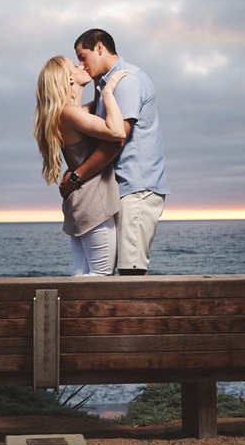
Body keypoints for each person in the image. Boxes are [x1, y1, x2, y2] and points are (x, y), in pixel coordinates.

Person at [60, 29, 170, 276]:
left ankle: (141, 316)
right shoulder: (106, 86)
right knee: (124, 271)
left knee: (132, 271)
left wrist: (76, 177)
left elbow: (115, 141)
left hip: (136, 188)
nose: (81, 64)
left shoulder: (126, 81)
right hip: (122, 189)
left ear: (99, 48)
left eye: (83, 56)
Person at [33, 56, 129, 276]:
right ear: (67, 78)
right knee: (101, 275)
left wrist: (99, 85)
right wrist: (107, 92)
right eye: (75, 66)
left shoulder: (67, 112)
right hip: (93, 202)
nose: (82, 66)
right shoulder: (69, 112)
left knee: (81, 272)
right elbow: (116, 132)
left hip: (81, 202)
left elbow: (96, 110)